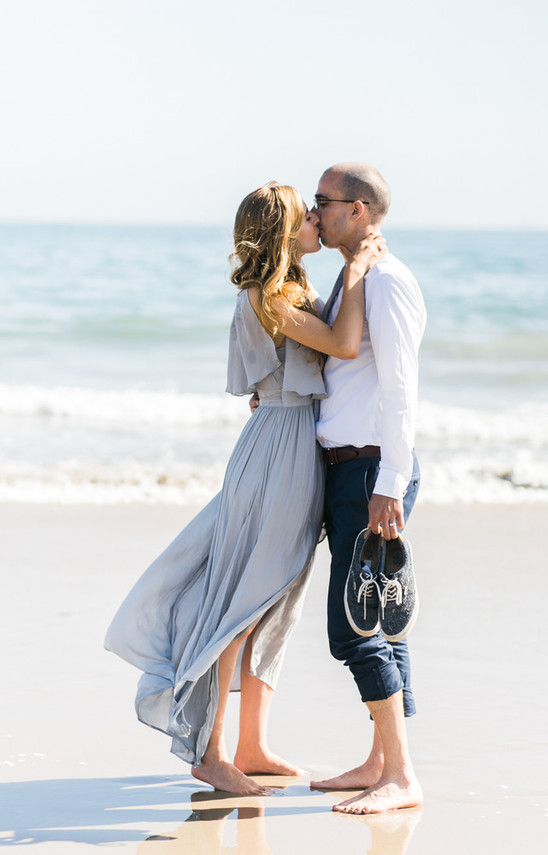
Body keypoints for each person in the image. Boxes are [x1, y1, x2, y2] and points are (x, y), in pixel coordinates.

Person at [105, 181, 383, 796]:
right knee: (245, 598)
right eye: (306, 216)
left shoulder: (289, 290)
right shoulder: (270, 296)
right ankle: (212, 751)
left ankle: (252, 744)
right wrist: (360, 265)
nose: (317, 220)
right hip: (279, 447)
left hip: (292, 441)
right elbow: (343, 343)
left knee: (277, 598)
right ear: (284, 233)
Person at [308, 163, 427, 814]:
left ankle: (402, 775)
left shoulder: (387, 281)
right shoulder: (357, 276)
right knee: (381, 616)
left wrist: (389, 482)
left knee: (354, 629)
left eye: (322, 202)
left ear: (358, 211)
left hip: (371, 471)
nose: (313, 211)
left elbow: (401, 391)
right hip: (352, 469)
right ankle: (381, 760)